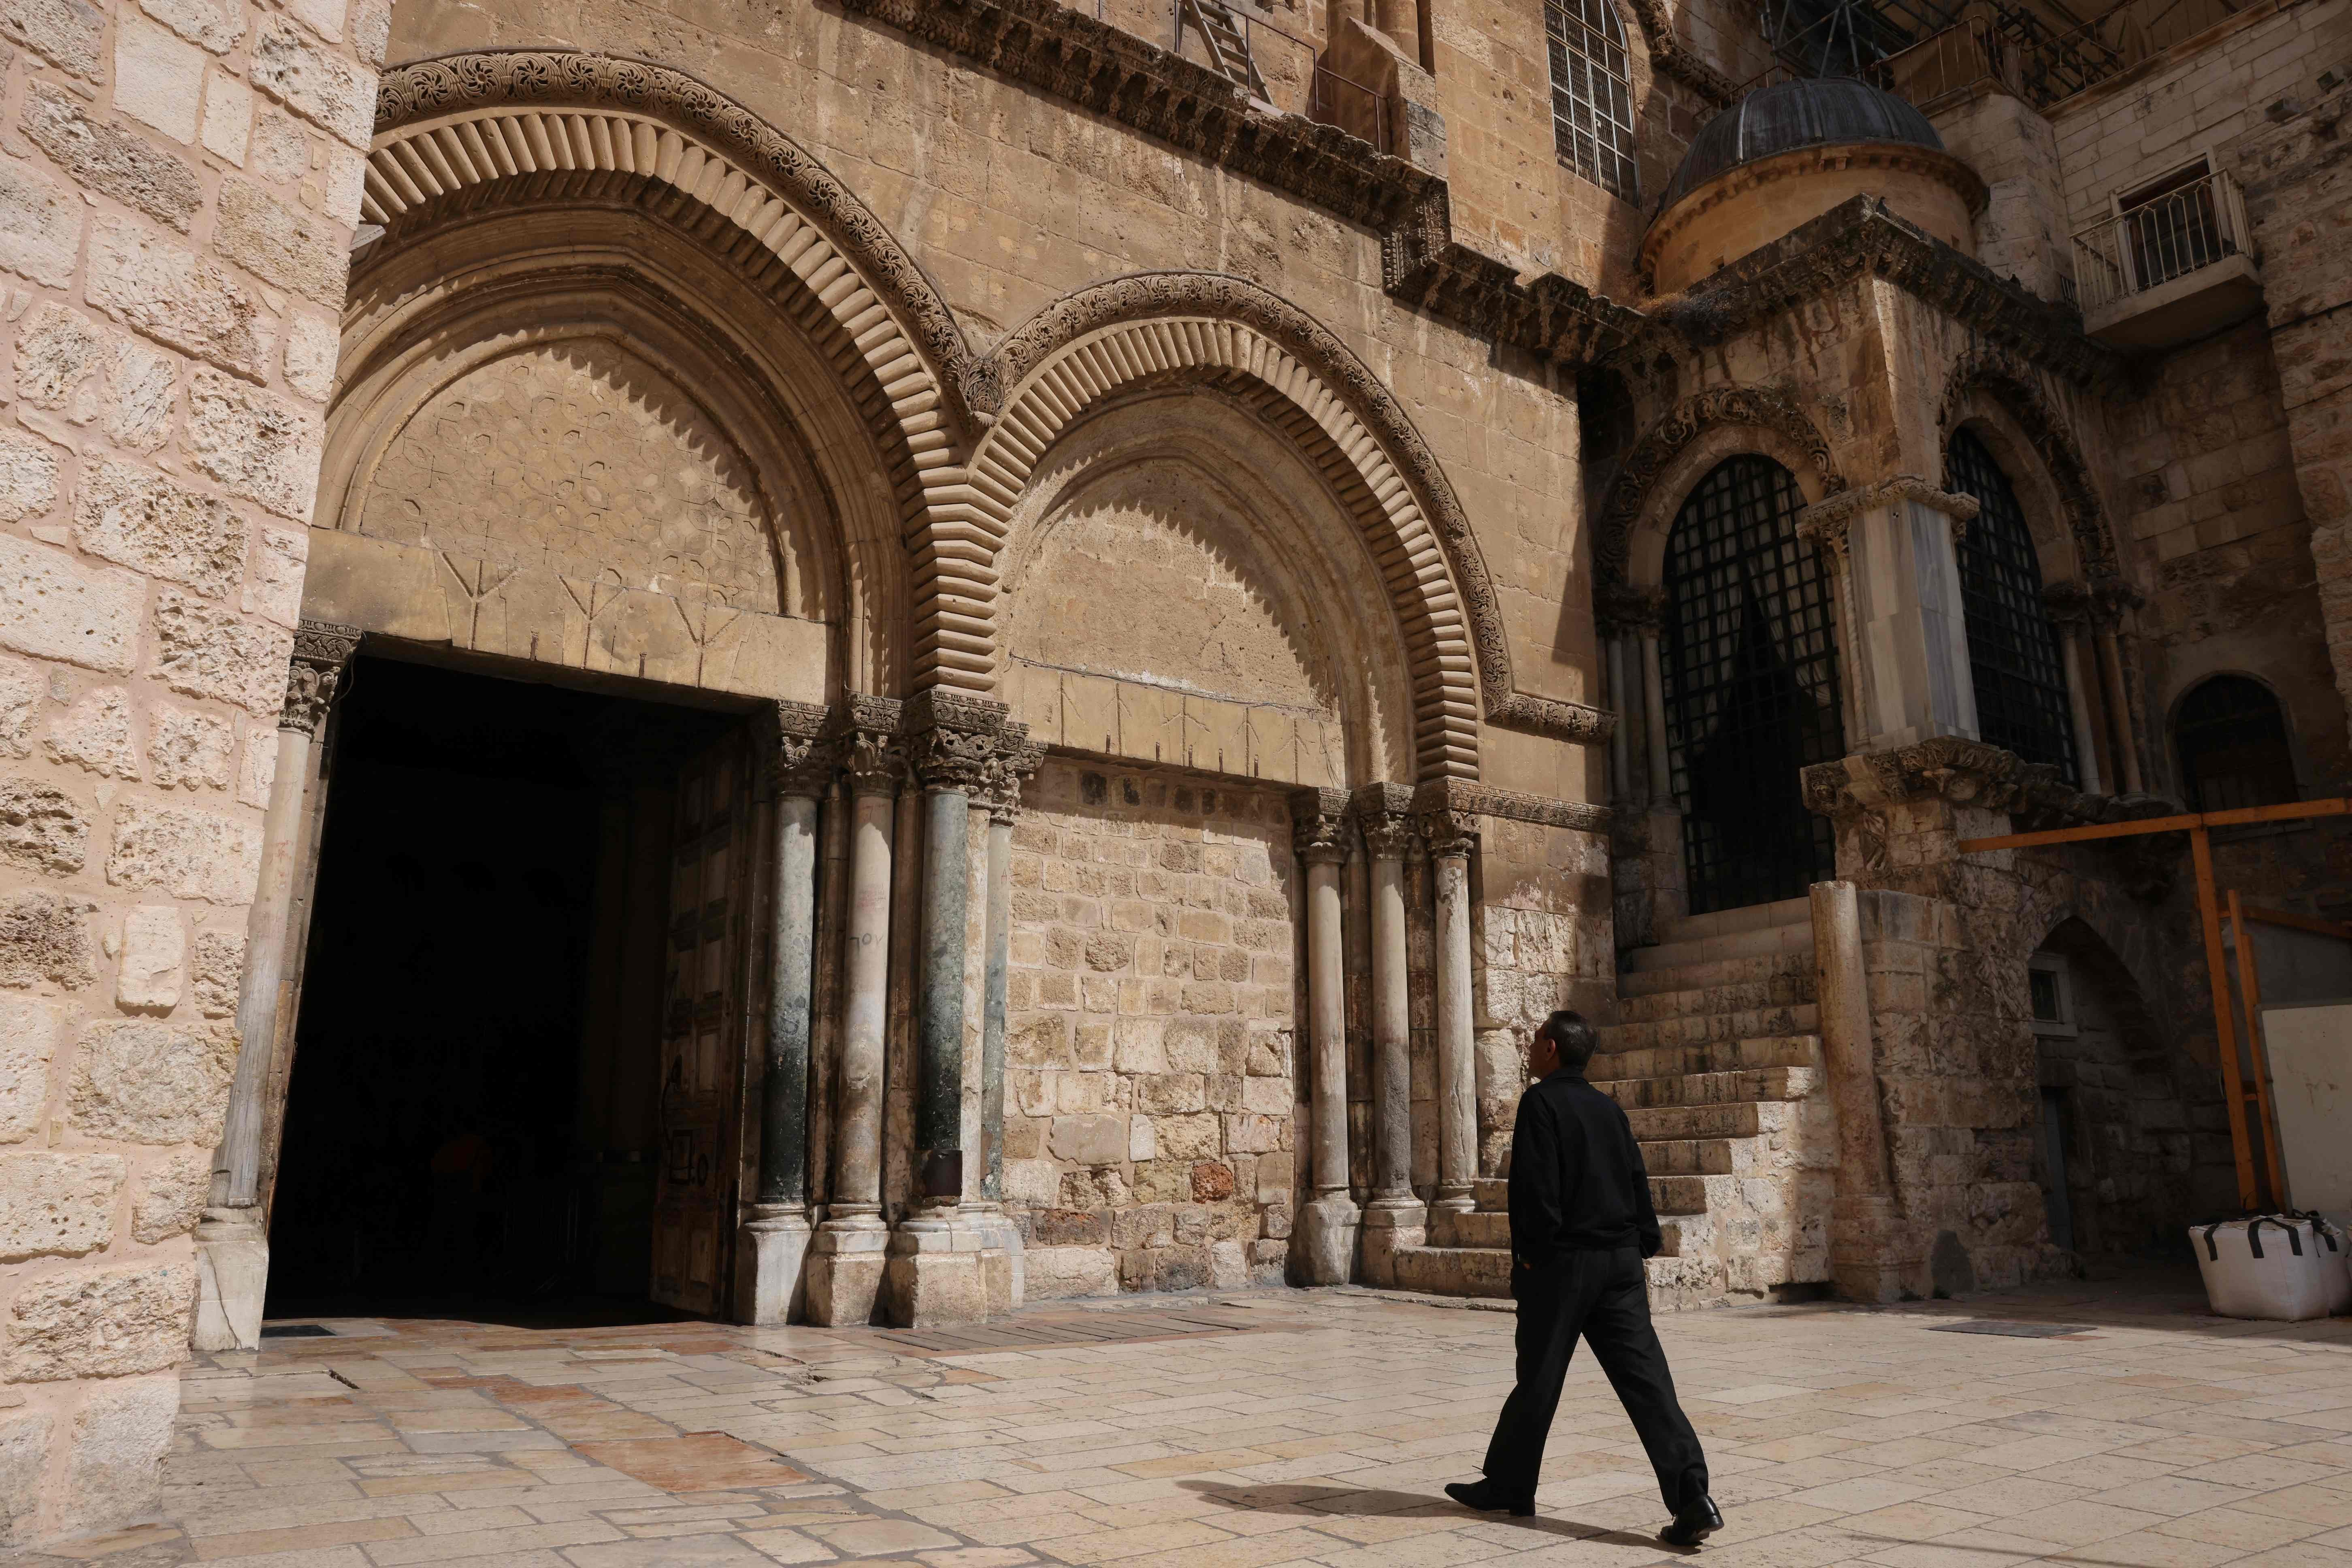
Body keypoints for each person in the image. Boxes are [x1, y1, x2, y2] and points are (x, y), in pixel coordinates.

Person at [1445, 1010, 1722, 1547]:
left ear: (1550, 1048)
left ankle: (1509, 1484)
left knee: (1540, 1377)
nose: (1529, 1048)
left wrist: (1531, 1259)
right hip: (1619, 1263)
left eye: (1534, 1040)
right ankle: (1693, 1497)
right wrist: (1642, 1241)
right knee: (1648, 1383)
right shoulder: (1608, 1109)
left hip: (1565, 1263)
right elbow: (1637, 1180)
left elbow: (1534, 1190)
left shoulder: (1541, 1102)